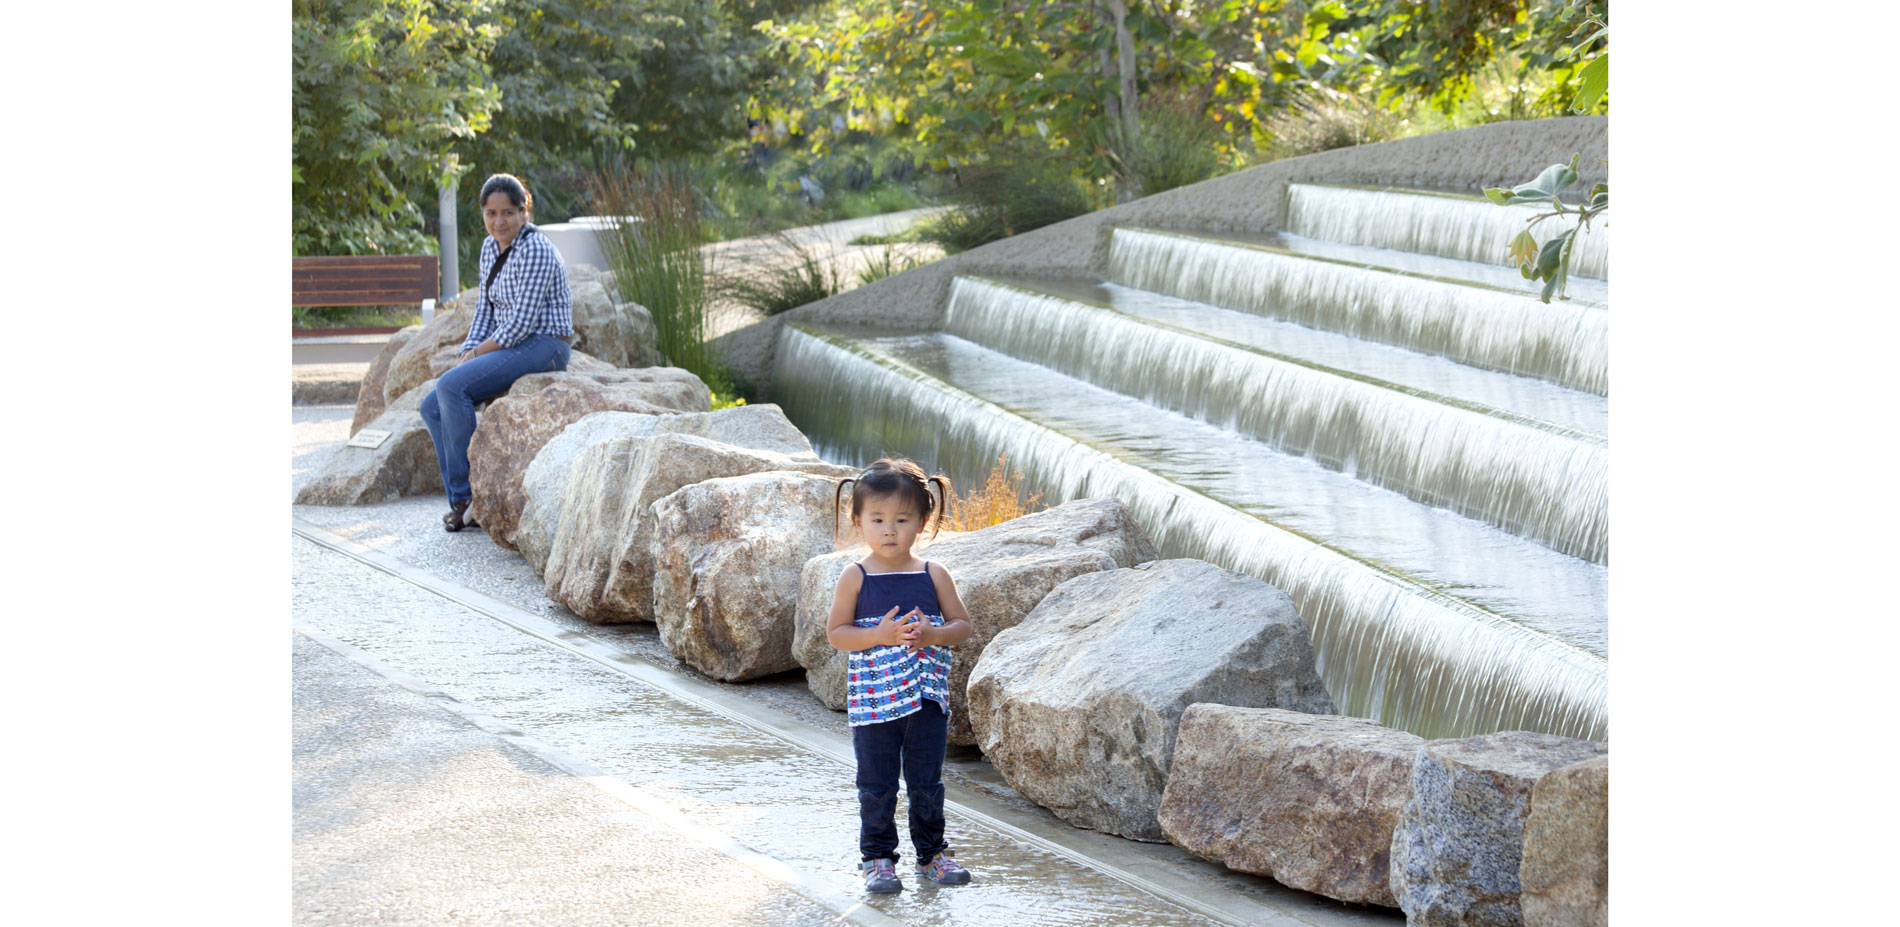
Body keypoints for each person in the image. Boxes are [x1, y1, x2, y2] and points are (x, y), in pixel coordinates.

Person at [825, 458, 975, 894]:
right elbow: (837, 634)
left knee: (927, 782)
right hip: (875, 703)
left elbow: (961, 627)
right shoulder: (856, 576)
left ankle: (932, 855)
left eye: (901, 519)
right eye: (877, 519)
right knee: (877, 784)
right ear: (858, 521)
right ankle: (877, 859)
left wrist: (933, 633)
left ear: (923, 522)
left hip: (927, 700)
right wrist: (880, 635)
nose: (889, 530)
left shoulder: (933, 573)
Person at [421, 173, 575, 532]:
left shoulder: (536, 248)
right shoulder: (491, 247)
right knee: (431, 406)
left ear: (524, 211)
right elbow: (485, 313)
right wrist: (467, 351)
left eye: (508, 212)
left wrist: (477, 356)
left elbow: (521, 323)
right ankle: (463, 497)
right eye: (491, 213)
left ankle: (464, 500)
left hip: (545, 344)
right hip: (512, 343)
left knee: (452, 388)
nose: (499, 221)